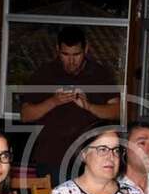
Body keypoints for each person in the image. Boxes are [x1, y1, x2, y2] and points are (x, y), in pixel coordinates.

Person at [20, 26, 120, 184]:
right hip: (51, 158)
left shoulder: (100, 74)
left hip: (90, 159)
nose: (71, 61)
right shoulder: (44, 74)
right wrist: (53, 101)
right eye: (65, 55)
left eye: (76, 55)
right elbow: (25, 115)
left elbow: (117, 112)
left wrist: (89, 106)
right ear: (57, 50)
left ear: (86, 49)